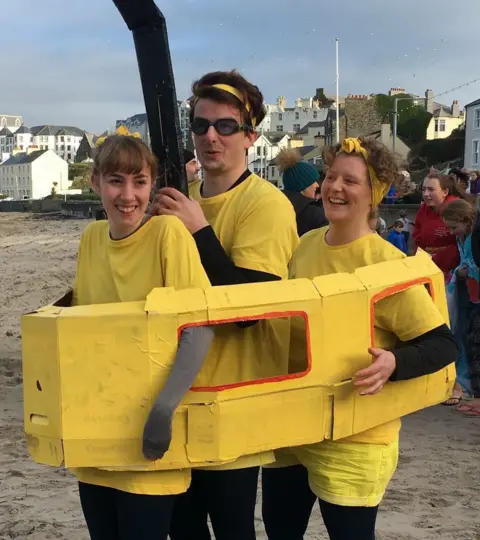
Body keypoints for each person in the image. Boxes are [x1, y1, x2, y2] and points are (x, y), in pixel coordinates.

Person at [262, 137, 457, 540]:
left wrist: (394, 363)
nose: (335, 187)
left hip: (357, 432)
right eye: (331, 177)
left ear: (374, 194)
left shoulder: (385, 263)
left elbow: (441, 344)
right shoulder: (305, 245)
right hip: (293, 421)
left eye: (350, 181)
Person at [150, 70, 299, 540]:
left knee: (233, 525)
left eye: (226, 126)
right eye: (200, 125)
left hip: (235, 396)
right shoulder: (180, 200)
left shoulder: (267, 205)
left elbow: (252, 309)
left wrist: (197, 230)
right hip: (176, 394)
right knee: (183, 526)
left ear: (250, 137)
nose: (210, 136)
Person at [66, 135, 215, 540]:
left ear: (152, 184)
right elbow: (80, 323)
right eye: (116, 181)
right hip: (97, 428)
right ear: (95, 182)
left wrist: (164, 410)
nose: (128, 195)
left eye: (139, 182)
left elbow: (199, 328)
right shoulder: (92, 239)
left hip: (151, 430)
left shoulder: (168, 234)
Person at [441, 199, 480, 413]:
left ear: (466, 221)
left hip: (475, 293)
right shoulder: (463, 238)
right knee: (469, 341)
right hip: (472, 296)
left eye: (454, 228)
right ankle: (471, 390)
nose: (452, 232)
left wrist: (466, 272)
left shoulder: (475, 237)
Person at [413, 173, 465, 280]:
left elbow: (462, 244)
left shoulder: (457, 209)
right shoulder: (423, 209)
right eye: (423, 189)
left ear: (445, 192)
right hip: (426, 267)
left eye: (431, 189)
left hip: (453, 270)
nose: (426, 194)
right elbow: (417, 237)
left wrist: (438, 257)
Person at [278, 148, 327, 236]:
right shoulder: (315, 215)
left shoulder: (278, 209)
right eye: (313, 181)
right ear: (302, 185)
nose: (317, 185)